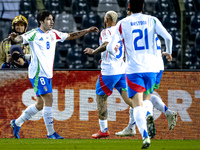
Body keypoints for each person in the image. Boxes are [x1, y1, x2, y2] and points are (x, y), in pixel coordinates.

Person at [9, 10, 99, 139]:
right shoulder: (34, 34)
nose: (52, 22)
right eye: (48, 19)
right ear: (41, 21)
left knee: (40, 105)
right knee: (49, 99)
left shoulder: (54, 34)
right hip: (38, 73)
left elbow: (70, 35)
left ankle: (16, 123)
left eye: (52, 19)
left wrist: (86, 30)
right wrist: (14, 38)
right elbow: (20, 38)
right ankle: (51, 133)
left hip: (47, 73)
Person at [106, 0, 173, 148]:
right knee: (147, 98)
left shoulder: (123, 23)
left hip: (134, 69)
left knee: (137, 105)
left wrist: (115, 52)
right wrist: (169, 52)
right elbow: (168, 37)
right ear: (143, 6)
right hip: (151, 68)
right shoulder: (152, 20)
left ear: (129, 7)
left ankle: (145, 137)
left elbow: (110, 47)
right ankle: (149, 114)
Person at [84, 10, 134, 139]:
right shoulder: (120, 32)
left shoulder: (105, 32)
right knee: (128, 99)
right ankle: (145, 112)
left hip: (109, 72)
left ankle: (104, 129)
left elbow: (106, 44)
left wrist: (94, 51)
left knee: (100, 98)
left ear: (106, 19)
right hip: (121, 70)